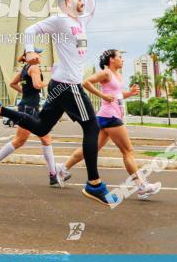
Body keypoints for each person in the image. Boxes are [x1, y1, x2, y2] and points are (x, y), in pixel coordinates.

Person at [0, 0, 115, 206]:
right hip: (69, 85)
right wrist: (30, 50)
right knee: (91, 127)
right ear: (66, 3)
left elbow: (91, 9)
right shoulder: (60, 21)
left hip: (60, 84)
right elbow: (29, 31)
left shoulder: (80, 22)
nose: (82, 3)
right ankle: (94, 184)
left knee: (41, 128)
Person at [59, 49, 161, 200]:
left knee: (92, 148)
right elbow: (86, 83)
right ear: (111, 59)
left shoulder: (118, 75)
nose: (122, 59)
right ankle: (141, 187)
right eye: (120, 57)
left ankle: (62, 169)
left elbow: (116, 95)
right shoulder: (106, 73)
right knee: (128, 151)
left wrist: (129, 94)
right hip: (110, 117)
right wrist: (103, 96)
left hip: (106, 116)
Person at [0, 48, 61, 187]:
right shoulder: (35, 67)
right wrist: (50, 84)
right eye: (37, 53)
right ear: (29, 55)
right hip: (29, 109)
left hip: (29, 107)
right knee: (19, 141)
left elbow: (13, 84)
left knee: (46, 138)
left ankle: (53, 175)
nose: (39, 55)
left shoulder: (25, 68)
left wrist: (25, 92)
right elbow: (37, 85)